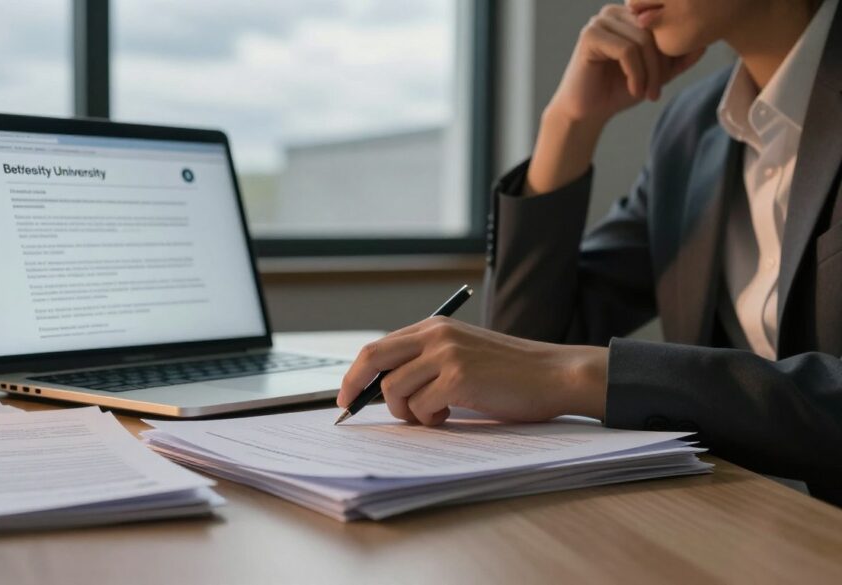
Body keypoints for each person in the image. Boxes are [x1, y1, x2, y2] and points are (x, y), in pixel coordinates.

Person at [337, 0, 842, 506]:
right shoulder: (692, 132)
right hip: (739, 523)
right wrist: (569, 123)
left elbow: (545, 366)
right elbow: (523, 347)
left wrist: (582, 374)